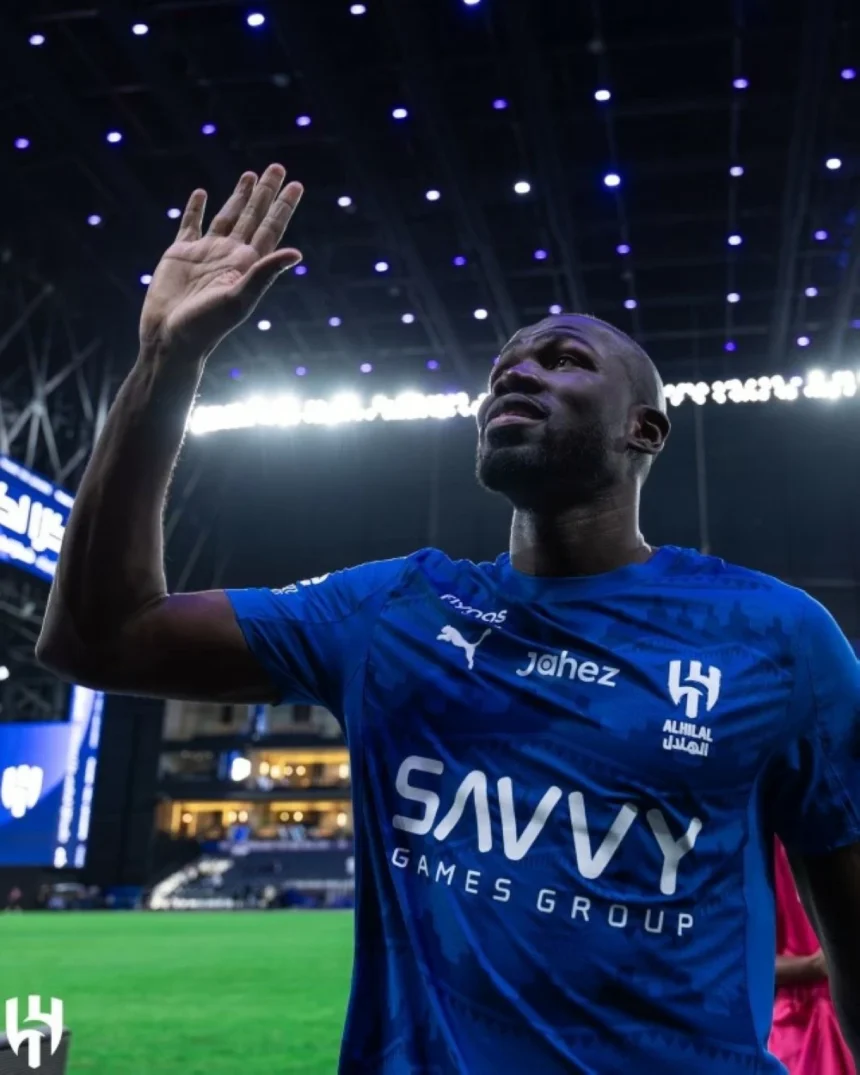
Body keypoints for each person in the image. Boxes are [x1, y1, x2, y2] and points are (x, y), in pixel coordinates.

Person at [37, 164, 860, 1074]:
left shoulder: (778, 638)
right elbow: (98, 636)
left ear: (645, 429)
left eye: (564, 359)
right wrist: (166, 362)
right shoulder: (394, 611)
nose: (518, 371)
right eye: (505, 365)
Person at [769, 839, 856, 1074]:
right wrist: (815, 965)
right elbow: (746, 964)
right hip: (796, 1029)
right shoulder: (763, 858)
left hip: (848, 1012)